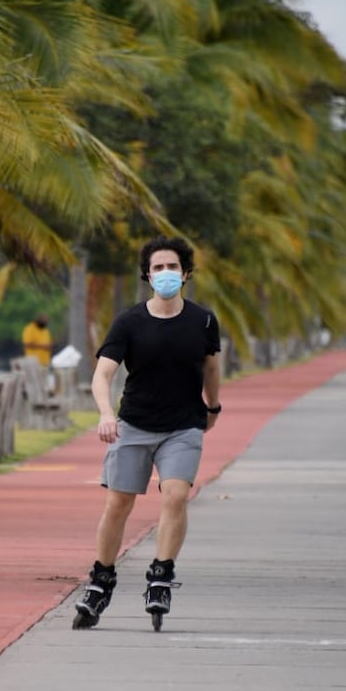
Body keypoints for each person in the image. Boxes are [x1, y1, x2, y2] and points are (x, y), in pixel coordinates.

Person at [72, 236, 221, 630]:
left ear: (185, 273)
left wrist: (213, 405)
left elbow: (211, 367)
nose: (166, 274)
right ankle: (101, 579)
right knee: (118, 504)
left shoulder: (203, 320)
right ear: (147, 275)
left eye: (173, 267)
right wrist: (106, 414)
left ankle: (161, 575)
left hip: (184, 424)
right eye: (158, 268)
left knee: (176, 496)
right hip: (134, 423)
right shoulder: (129, 322)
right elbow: (103, 374)